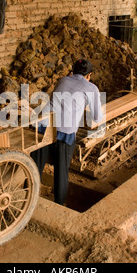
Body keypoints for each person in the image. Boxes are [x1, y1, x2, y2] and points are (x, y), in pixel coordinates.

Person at [30, 59, 104, 205]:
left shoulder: (62, 80)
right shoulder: (91, 88)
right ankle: (59, 203)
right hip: (64, 134)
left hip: (42, 127)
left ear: (72, 71)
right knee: (61, 171)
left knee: (35, 166)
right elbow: (97, 116)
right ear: (89, 75)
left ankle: (28, 197)